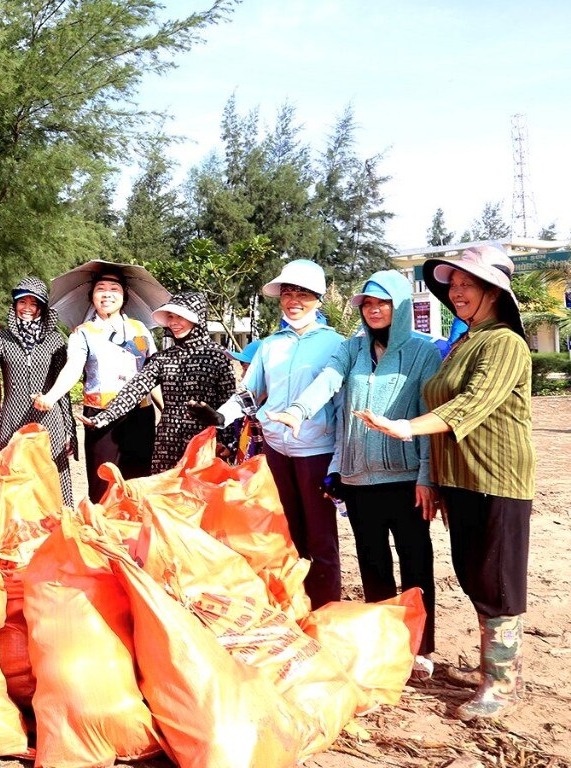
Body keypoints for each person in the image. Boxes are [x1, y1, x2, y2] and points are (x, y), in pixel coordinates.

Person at [358, 246, 534, 721]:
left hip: (497, 479)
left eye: (466, 285)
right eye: (452, 286)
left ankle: (502, 683)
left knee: (498, 580)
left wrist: (407, 428)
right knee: (475, 574)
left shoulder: (505, 343)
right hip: (460, 479)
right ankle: (489, 671)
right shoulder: (464, 341)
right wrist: (432, 476)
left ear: (493, 291)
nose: (456, 294)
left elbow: (472, 405)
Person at [265, 271, 442, 679]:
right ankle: (382, 645)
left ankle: (420, 646)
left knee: (416, 564)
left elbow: (429, 418)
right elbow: (327, 384)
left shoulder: (423, 353)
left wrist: (427, 478)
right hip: (359, 479)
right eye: (366, 303)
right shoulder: (351, 349)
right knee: (373, 565)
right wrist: (297, 411)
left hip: (405, 478)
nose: (373, 310)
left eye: (381, 303)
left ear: (398, 307)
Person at [192, 259, 345, 608]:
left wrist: (339, 460)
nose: (294, 300)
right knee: (286, 534)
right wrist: (220, 415)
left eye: (302, 294)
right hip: (277, 451)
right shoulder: (270, 345)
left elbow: (340, 403)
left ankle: (326, 610)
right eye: (287, 293)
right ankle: (295, 604)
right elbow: (249, 393)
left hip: (316, 451)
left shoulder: (337, 344)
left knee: (321, 538)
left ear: (318, 298)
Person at [76, 292, 236, 476]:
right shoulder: (163, 358)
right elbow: (135, 389)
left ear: (198, 318)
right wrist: (103, 417)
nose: (174, 322)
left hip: (205, 443)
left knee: (201, 498)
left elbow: (229, 401)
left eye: (180, 317)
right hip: (167, 444)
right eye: (170, 316)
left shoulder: (218, 356)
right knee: (164, 500)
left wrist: (228, 440)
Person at [40, 267, 157, 499]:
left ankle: (134, 533)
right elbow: (73, 366)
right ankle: (102, 532)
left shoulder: (140, 330)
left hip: (139, 415)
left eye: (114, 289)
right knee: (102, 483)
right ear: (91, 296)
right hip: (99, 416)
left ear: (124, 296)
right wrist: (51, 396)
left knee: (138, 481)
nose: (107, 294)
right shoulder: (83, 333)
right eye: (100, 289)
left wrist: (167, 410)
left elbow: (154, 372)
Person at [0, 278, 75, 504]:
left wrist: (69, 429)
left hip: (49, 417)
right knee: (12, 471)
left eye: (34, 303)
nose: (27, 308)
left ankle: (58, 523)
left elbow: (64, 387)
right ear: (14, 305)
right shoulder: (1, 339)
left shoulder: (54, 340)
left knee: (51, 471)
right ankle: (15, 527)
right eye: (22, 302)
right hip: (14, 416)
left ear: (42, 307)